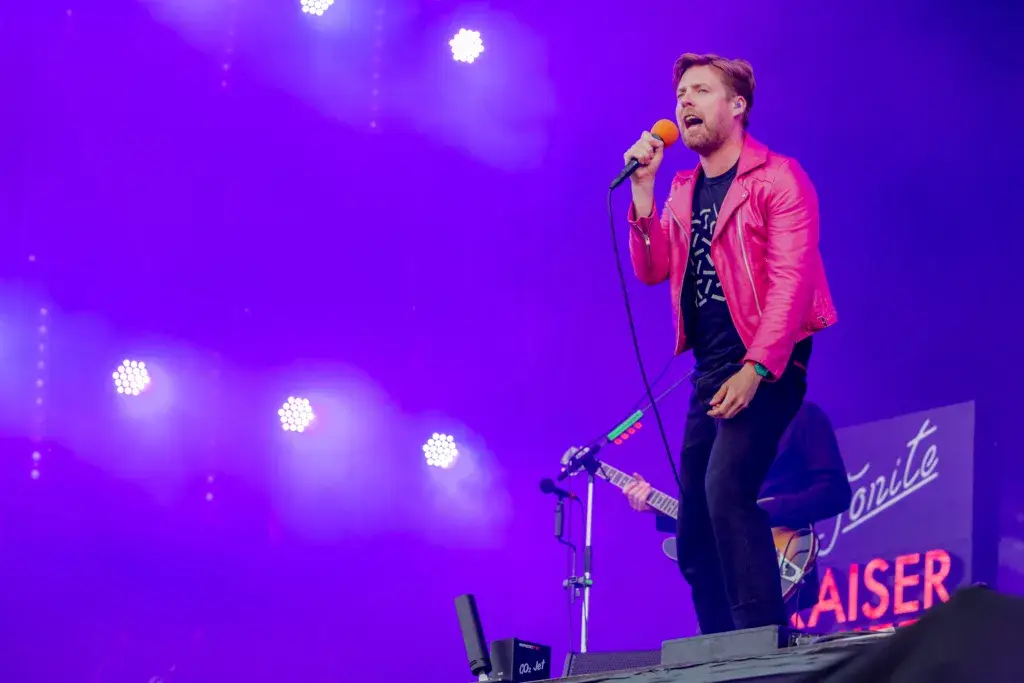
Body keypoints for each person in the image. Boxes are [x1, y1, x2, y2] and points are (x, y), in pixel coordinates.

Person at [621, 53, 837, 636]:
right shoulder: (684, 187)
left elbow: (793, 283)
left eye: (700, 91)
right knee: (693, 532)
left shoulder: (779, 178)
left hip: (771, 362)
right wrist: (644, 189)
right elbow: (651, 268)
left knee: (727, 492)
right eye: (680, 95)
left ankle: (761, 643)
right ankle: (720, 652)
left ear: (736, 105)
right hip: (710, 370)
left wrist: (757, 368)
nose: (683, 103)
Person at [623, 401, 852, 617]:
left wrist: (763, 510)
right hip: (721, 575)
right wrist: (659, 510)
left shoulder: (801, 414)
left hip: (779, 558)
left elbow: (835, 492)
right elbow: (713, 516)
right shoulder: (717, 425)